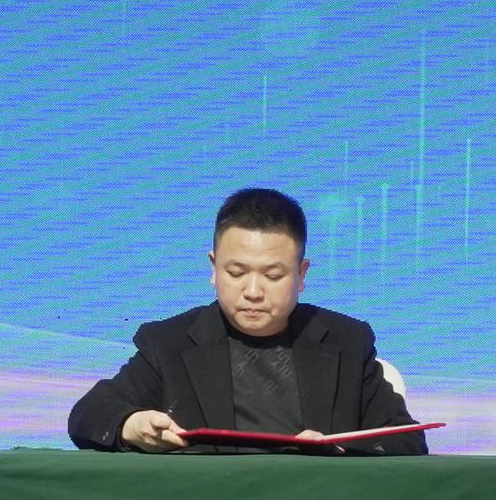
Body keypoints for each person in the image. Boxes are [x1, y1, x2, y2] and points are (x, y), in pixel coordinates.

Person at [67, 187, 429, 454]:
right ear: (213, 268)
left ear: (301, 275)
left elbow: (406, 438)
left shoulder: (346, 341)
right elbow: (89, 415)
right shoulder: (168, 343)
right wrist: (131, 425)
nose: (253, 291)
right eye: (236, 273)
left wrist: (338, 450)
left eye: (273, 275)